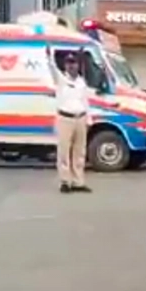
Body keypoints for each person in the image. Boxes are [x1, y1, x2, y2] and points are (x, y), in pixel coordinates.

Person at [53, 52, 92, 194]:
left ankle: (78, 182)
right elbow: (52, 68)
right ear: (65, 65)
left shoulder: (81, 82)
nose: (71, 66)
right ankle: (65, 181)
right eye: (69, 63)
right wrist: (49, 54)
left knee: (79, 151)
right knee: (64, 151)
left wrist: (89, 119)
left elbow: (85, 101)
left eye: (74, 63)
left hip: (80, 118)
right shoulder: (61, 79)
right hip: (65, 119)